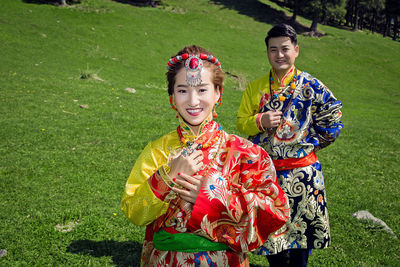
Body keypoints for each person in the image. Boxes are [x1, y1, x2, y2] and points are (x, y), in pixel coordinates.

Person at [121, 45, 290, 267]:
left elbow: (276, 212)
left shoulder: (246, 153)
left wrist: (212, 194)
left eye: (202, 90)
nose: (192, 101)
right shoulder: (157, 151)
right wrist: (167, 176)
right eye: (182, 90)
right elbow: (135, 213)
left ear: (218, 93)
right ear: (172, 96)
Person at [236, 24, 343, 266]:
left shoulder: (312, 86)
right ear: (267, 53)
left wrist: (312, 143)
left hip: (304, 176)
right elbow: (241, 123)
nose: (279, 55)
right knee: (272, 240)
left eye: (285, 49)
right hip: (267, 176)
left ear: (296, 50)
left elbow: (333, 118)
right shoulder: (255, 88)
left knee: (301, 243)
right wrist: (259, 120)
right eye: (273, 50)